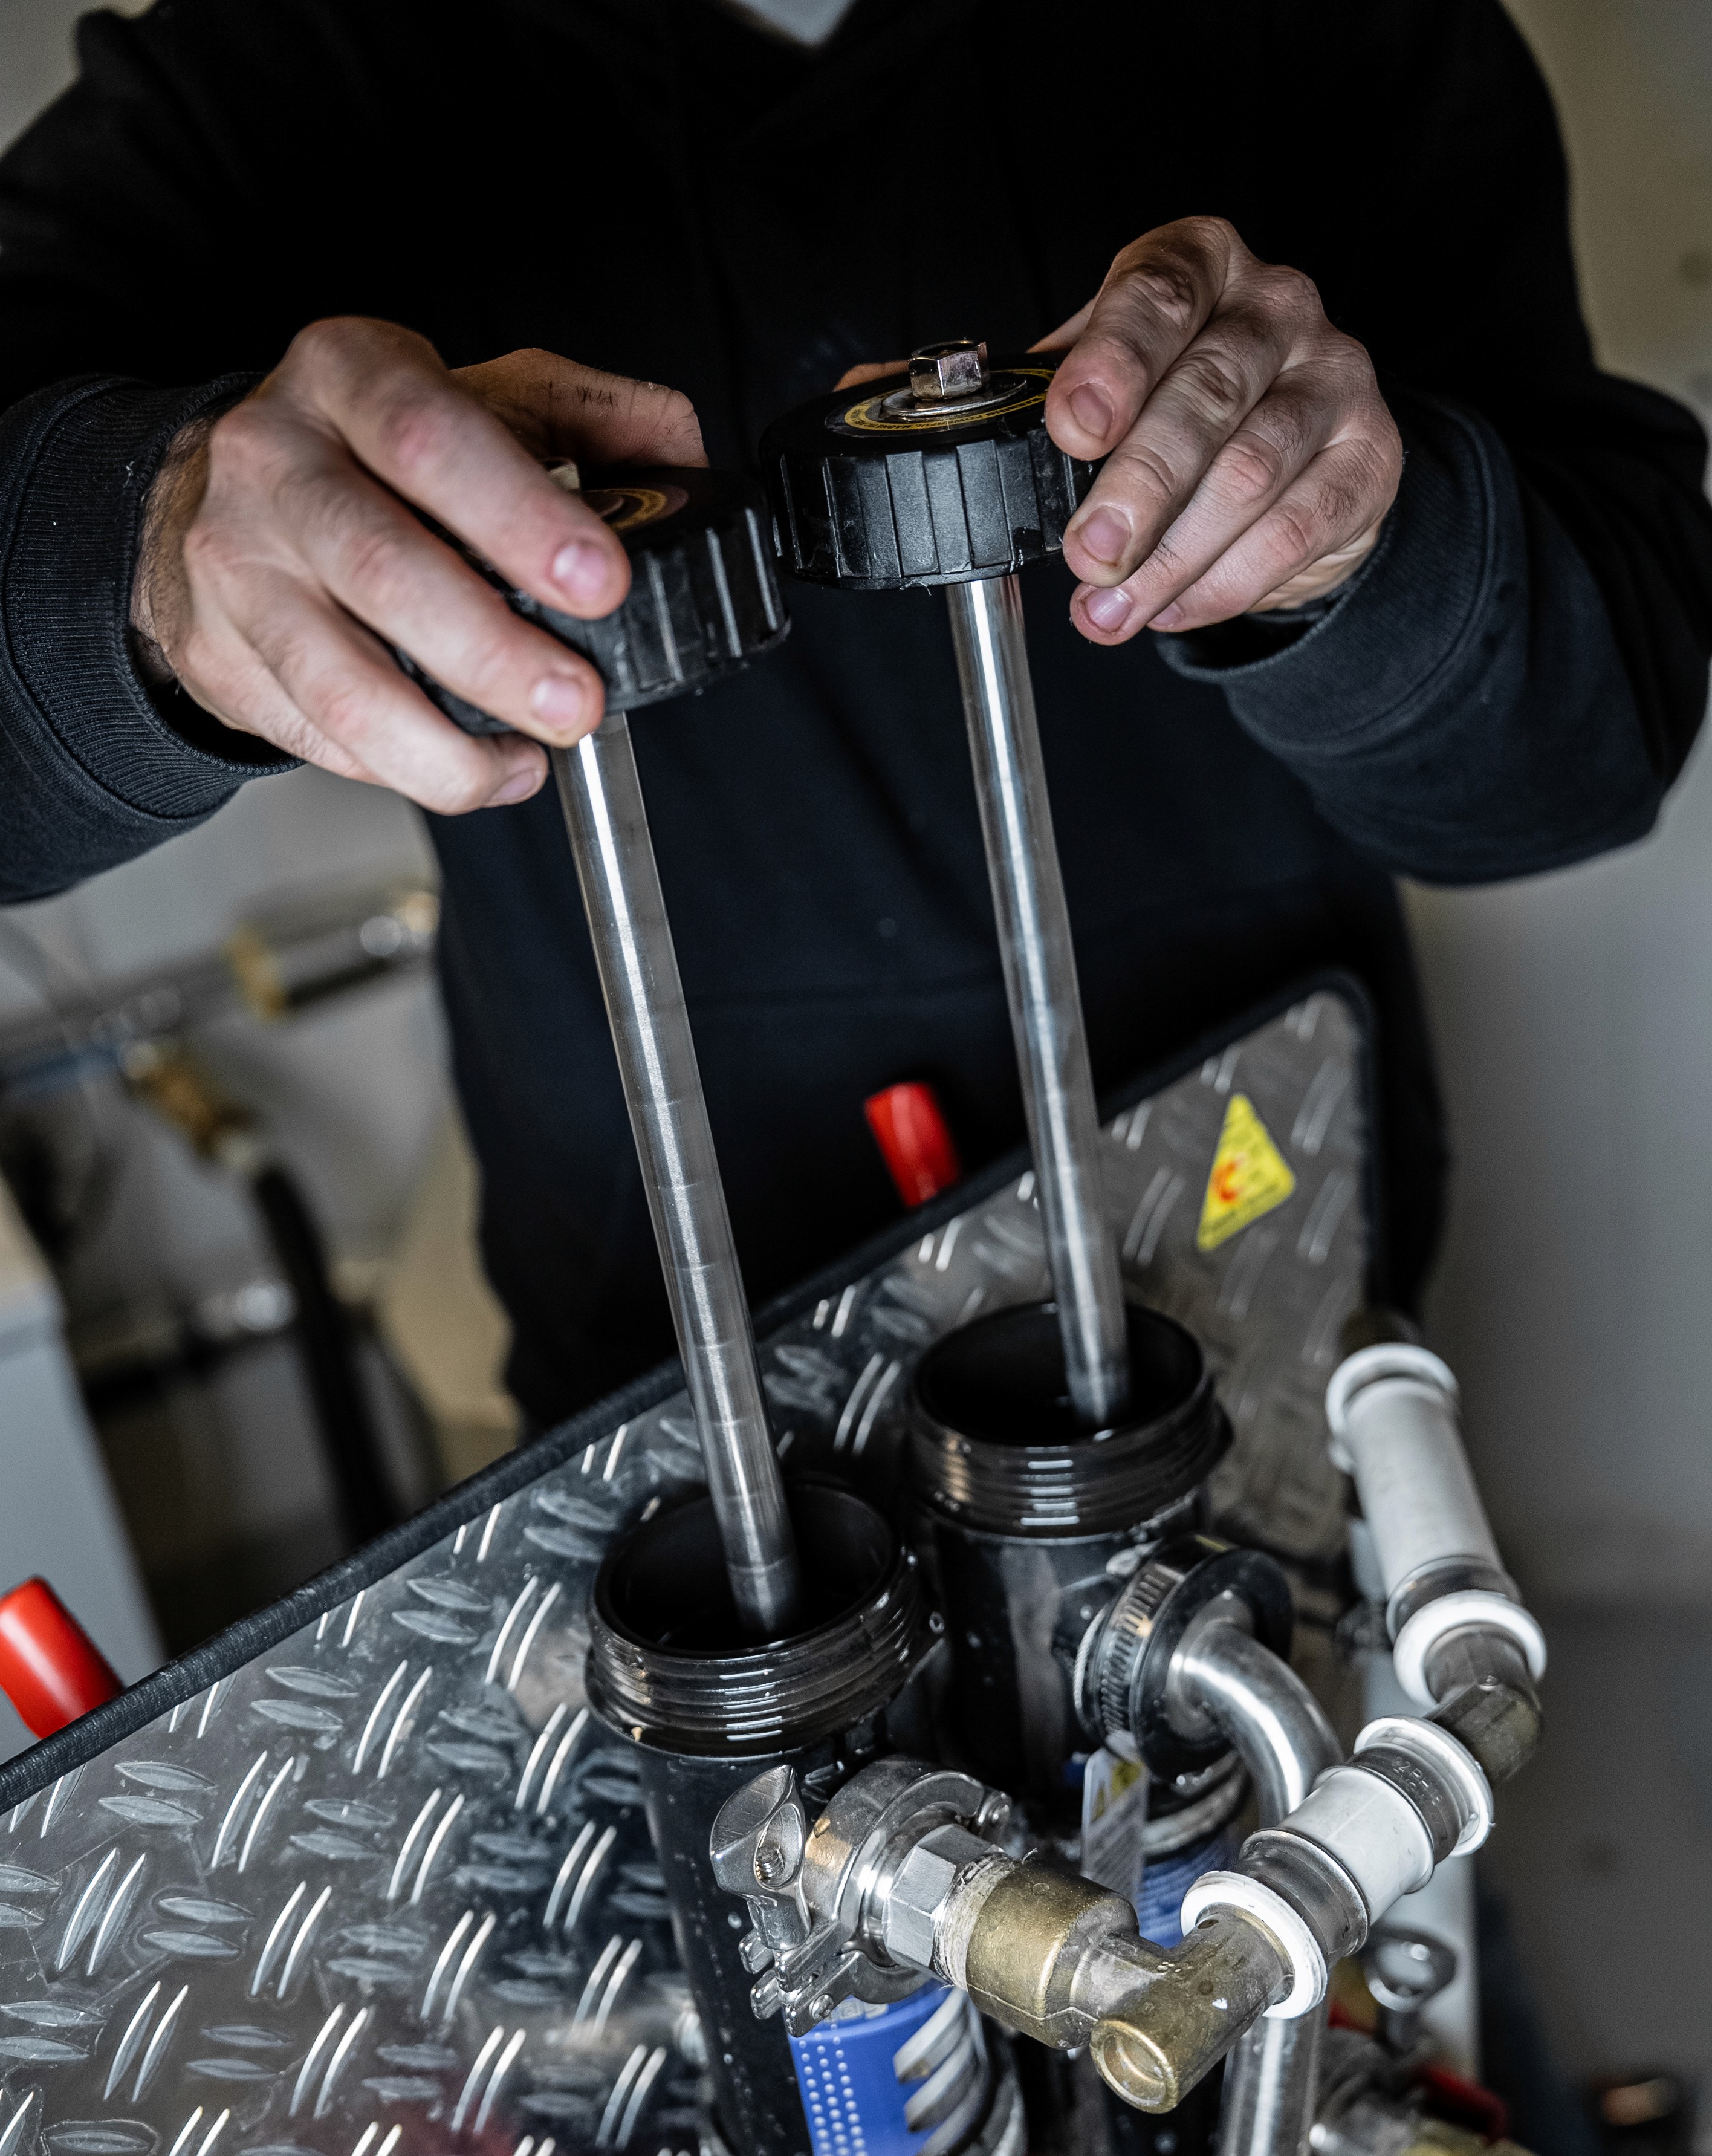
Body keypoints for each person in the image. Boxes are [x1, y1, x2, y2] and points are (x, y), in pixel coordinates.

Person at [1, 0, 1708, 1427]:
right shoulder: (281, 67)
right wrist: (152, 559)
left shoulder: (1335, 28)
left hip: (1258, 1252)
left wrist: (1367, 550)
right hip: (674, 1356)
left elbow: (1586, 757)